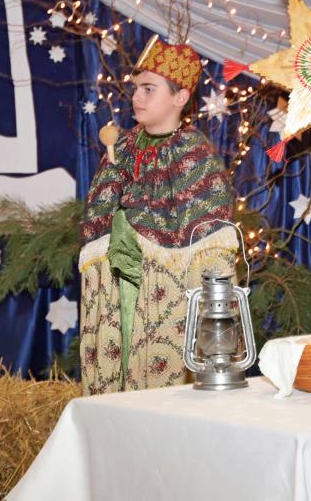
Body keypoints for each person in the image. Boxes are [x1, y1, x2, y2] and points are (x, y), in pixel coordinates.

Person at [79, 36, 238, 395]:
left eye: (149, 89)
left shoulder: (194, 155)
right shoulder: (122, 147)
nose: (137, 97)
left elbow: (209, 239)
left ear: (180, 97)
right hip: (116, 290)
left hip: (162, 300)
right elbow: (98, 214)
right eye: (137, 88)